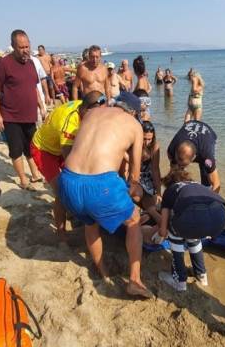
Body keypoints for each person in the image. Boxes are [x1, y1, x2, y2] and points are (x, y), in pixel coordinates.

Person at [57, 95, 153, 299]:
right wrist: (133, 191)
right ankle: (135, 280)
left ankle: (103, 272)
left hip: (67, 182)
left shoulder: (91, 113)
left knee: (90, 224)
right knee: (134, 219)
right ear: (134, 112)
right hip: (100, 187)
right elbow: (135, 174)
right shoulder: (134, 125)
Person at [30, 92, 105, 240]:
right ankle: (61, 232)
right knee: (63, 190)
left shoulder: (85, 106)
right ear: (86, 110)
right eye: (98, 113)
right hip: (44, 149)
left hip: (61, 144)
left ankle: (72, 212)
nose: (100, 117)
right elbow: (70, 160)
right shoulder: (70, 124)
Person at [155, 166, 225, 291]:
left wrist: (162, 233)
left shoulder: (171, 190)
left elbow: (164, 222)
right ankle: (202, 276)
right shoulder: (198, 185)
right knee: (194, 232)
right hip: (220, 216)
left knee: (176, 233)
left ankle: (179, 281)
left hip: (193, 217)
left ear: (169, 182)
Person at [0, 29, 45, 190]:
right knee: (16, 149)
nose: (25, 50)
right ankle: (23, 179)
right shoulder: (4, 64)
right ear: (14, 46)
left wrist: (41, 106)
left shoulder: (31, 63)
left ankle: (35, 174)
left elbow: (34, 87)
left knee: (32, 147)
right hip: (10, 115)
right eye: (21, 47)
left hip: (30, 115)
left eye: (27, 46)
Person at [167, 120, 220, 192]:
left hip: (208, 134)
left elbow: (216, 184)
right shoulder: (172, 148)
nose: (179, 165)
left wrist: (210, 199)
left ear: (193, 158)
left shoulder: (207, 156)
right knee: (176, 173)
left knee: (206, 173)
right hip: (190, 124)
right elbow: (173, 169)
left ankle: (204, 191)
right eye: (178, 160)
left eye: (183, 165)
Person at [138, 120, 161, 224]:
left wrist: (159, 192)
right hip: (136, 174)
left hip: (148, 176)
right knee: (144, 199)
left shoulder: (155, 146)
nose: (147, 142)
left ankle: (147, 214)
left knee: (156, 204)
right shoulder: (134, 145)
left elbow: (155, 169)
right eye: (144, 139)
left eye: (149, 139)